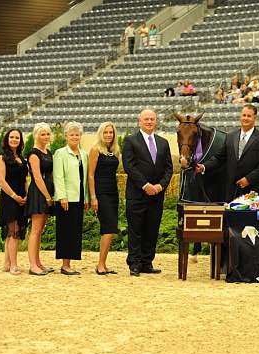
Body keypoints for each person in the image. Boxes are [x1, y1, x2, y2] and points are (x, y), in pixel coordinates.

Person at [122, 109, 173, 277]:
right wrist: (145, 185)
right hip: (137, 194)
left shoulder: (163, 143)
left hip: (157, 195)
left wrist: (160, 186)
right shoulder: (130, 141)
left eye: (152, 119)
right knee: (135, 230)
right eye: (146, 119)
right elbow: (129, 166)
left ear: (156, 121)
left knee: (152, 229)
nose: (149, 121)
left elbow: (168, 168)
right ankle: (134, 263)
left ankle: (147, 262)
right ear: (140, 121)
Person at [196, 104, 259, 201]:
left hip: (254, 190)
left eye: (249, 116)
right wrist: (203, 167)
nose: (245, 118)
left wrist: (248, 179)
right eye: (244, 115)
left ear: (255, 118)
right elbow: (219, 158)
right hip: (232, 191)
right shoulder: (230, 136)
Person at [53, 122, 90, 276]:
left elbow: (85, 178)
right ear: (66, 136)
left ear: (80, 136)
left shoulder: (84, 154)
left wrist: (86, 198)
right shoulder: (60, 153)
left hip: (79, 197)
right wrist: (62, 196)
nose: (75, 137)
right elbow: (58, 176)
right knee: (65, 231)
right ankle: (65, 265)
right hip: (66, 199)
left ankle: (70, 263)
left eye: (77, 134)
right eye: (71, 134)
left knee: (75, 231)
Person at [88, 122, 120, 275]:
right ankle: (100, 265)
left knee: (111, 228)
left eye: (111, 132)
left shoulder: (114, 151)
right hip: (101, 193)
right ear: (101, 133)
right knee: (108, 227)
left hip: (113, 192)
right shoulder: (96, 150)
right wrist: (93, 196)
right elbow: (91, 175)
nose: (109, 135)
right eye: (106, 132)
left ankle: (104, 264)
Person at [0, 128, 28, 275]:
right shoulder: (1, 158)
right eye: (12, 137)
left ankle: (7, 264)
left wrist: (27, 195)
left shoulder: (21, 158)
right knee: (13, 230)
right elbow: (1, 181)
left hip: (21, 198)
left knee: (12, 231)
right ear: (7, 140)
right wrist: (15, 196)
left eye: (17, 137)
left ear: (20, 140)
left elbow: (24, 180)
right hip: (10, 198)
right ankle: (14, 265)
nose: (14, 140)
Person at [25, 123, 55, 276]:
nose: (46, 137)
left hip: (47, 191)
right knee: (35, 230)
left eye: (48, 134)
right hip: (39, 193)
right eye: (42, 134)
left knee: (40, 230)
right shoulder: (33, 154)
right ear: (36, 135)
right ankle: (32, 265)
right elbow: (37, 177)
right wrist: (48, 196)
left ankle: (38, 262)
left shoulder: (48, 152)